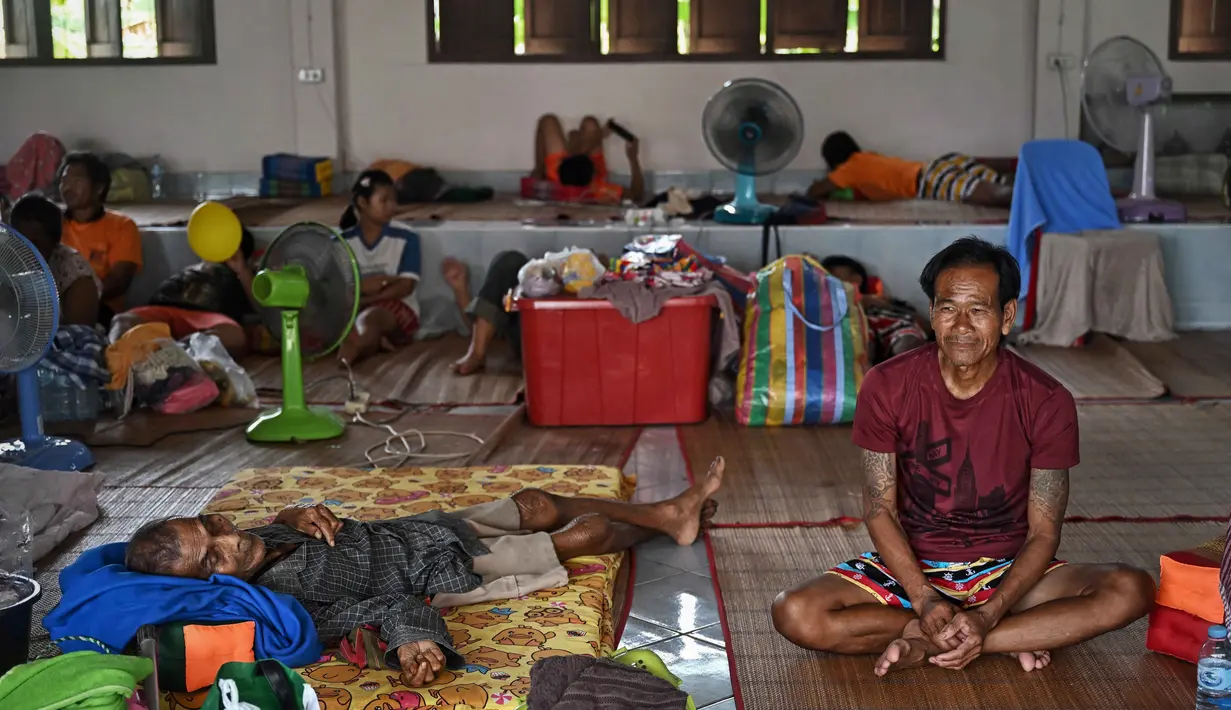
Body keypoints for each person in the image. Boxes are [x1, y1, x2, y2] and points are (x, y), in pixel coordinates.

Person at [771, 237, 1155, 675]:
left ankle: (936, 641)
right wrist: (924, 597)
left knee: (1131, 588)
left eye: (978, 309)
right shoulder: (887, 385)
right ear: (932, 313)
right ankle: (1004, 634)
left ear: (1006, 316)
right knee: (794, 612)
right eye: (948, 308)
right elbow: (880, 510)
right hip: (911, 569)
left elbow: (1044, 533)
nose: (961, 326)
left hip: (1007, 572)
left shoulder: (1047, 400)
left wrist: (990, 613)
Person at [125, 457, 726, 688]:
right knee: (581, 536)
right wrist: (416, 638)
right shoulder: (282, 607)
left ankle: (671, 517)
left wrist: (299, 512)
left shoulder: (259, 540)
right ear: (210, 586)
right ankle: (670, 518)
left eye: (216, 527)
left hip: (415, 530)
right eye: (214, 556)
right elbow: (382, 610)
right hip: (443, 570)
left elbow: (277, 518)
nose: (232, 539)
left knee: (536, 504)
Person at [108, 227, 260, 357]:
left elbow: (262, 310)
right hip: (164, 310)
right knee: (122, 321)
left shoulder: (242, 274)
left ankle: (176, 354)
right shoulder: (194, 267)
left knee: (235, 338)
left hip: (208, 319)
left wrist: (242, 270)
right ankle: (115, 357)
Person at [337, 170, 422, 366]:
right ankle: (372, 343)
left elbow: (405, 287)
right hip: (353, 306)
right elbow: (339, 288)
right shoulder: (342, 243)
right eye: (384, 200)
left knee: (370, 318)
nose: (392, 206)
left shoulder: (407, 237)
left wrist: (365, 298)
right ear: (363, 203)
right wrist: (377, 283)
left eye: (394, 200)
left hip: (396, 307)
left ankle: (356, 348)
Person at [806, 132, 1015, 208]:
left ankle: (1033, 198)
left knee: (996, 195)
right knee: (1002, 184)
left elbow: (816, 191)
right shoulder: (868, 158)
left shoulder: (849, 167)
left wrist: (811, 192)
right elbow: (866, 193)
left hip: (929, 179)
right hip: (942, 164)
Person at [58, 151, 143, 325]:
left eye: (77, 181)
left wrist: (77, 300)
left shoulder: (122, 226)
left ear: (99, 188)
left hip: (100, 311)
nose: (68, 188)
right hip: (52, 308)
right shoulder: (53, 223)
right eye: (64, 180)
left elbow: (119, 282)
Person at [10, 194, 100, 326]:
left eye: (36, 244)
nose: (26, 251)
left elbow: (82, 334)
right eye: (20, 242)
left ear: (54, 243)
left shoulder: (75, 273)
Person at [820, 255, 929, 363]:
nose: (830, 283)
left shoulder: (886, 302)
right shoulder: (826, 307)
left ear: (857, 279)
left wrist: (884, 305)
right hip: (857, 330)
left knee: (907, 341)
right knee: (860, 343)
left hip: (896, 329)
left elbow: (927, 326)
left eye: (836, 277)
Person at [442, 251, 529, 375]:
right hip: (534, 328)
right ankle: (477, 352)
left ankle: (477, 351)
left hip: (556, 343)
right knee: (510, 260)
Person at [532, 114, 645, 205]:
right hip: (570, 171)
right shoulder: (600, 190)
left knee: (548, 120)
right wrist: (633, 158)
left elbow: (573, 137)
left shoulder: (557, 172)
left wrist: (538, 170)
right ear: (593, 176)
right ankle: (596, 135)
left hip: (557, 178)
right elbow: (637, 194)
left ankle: (539, 170)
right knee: (590, 123)